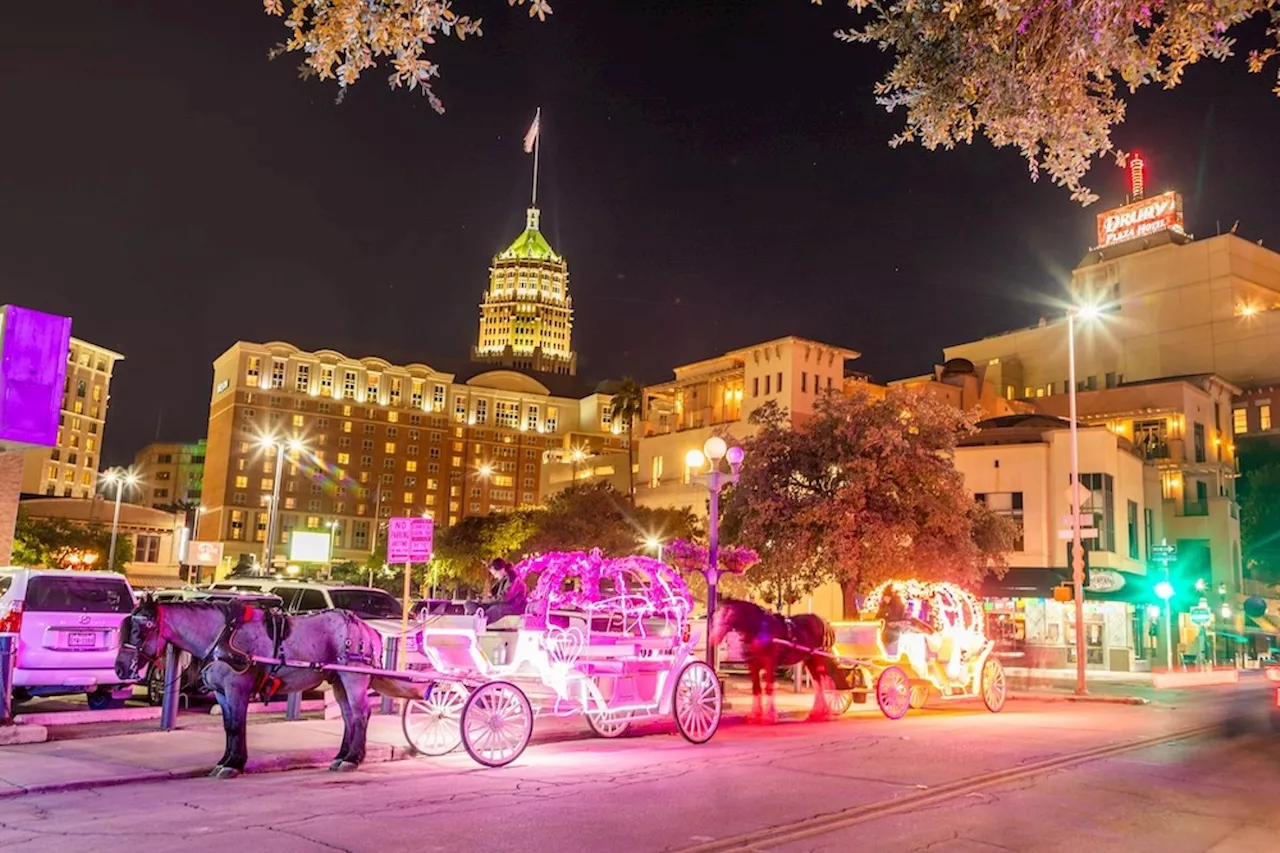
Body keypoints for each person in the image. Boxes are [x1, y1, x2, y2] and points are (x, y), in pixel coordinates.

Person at [481, 558, 526, 625]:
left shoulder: (512, 578)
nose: (495, 576)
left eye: (495, 573)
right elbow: (494, 594)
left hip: (515, 606)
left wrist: (487, 600)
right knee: (473, 605)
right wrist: (483, 600)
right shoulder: (503, 579)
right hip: (505, 605)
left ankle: (481, 624)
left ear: (502, 570)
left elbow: (505, 597)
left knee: (493, 610)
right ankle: (479, 619)